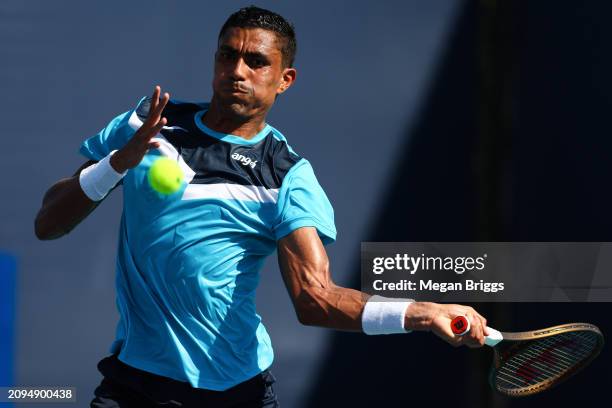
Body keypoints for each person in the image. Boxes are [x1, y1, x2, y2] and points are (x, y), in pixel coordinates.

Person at [34, 6, 488, 408]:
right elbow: (48, 223)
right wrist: (116, 163)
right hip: (133, 385)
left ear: (284, 79)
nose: (238, 70)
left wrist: (423, 313)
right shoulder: (149, 126)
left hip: (235, 394)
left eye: (256, 62)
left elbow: (315, 300)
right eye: (227, 56)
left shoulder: (287, 177)